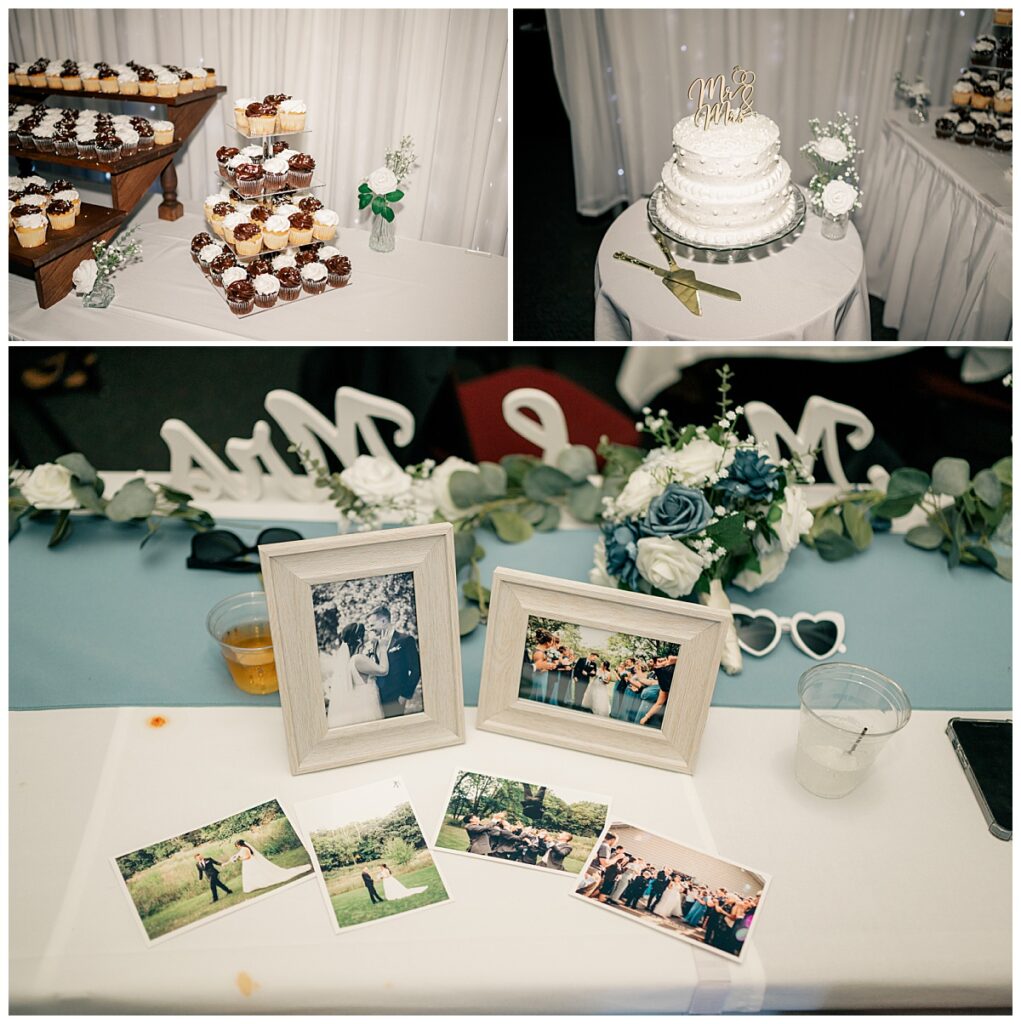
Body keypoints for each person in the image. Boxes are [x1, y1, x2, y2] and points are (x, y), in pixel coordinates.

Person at [326, 621, 385, 727]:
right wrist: (383, 647)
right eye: (365, 631)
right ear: (359, 638)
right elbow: (383, 670)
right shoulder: (358, 659)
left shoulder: (353, 659)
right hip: (367, 703)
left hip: (362, 701)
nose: (368, 632)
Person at [366, 606, 421, 718]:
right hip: (377, 698)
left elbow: (416, 670)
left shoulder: (405, 640)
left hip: (396, 697)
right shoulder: (375, 643)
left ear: (383, 621)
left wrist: (405, 695)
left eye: (372, 625)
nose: (370, 629)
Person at [225, 839, 310, 893]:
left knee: (254, 874)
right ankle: (253, 885)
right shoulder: (243, 849)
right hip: (248, 863)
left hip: (250, 863)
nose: (237, 847)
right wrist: (230, 860)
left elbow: (248, 857)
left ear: (239, 845)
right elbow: (236, 855)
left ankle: (257, 884)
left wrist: (240, 859)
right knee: (250, 875)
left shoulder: (245, 849)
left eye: (237, 846)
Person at [639, 654, 678, 728]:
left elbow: (674, 659)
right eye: (657, 662)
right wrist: (646, 717)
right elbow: (659, 703)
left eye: (661, 661)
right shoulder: (663, 679)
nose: (658, 663)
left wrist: (668, 660)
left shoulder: (673, 663)